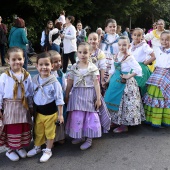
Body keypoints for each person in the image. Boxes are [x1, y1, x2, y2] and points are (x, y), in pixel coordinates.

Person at [65, 42, 111, 150]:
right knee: (78, 116)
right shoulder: (74, 67)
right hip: (76, 94)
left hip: (89, 94)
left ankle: (89, 139)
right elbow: (70, 82)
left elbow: (96, 84)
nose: (82, 55)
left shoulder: (93, 68)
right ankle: (80, 136)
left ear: (90, 53)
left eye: (85, 52)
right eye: (80, 52)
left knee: (90, 117)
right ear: (77, 53)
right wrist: (67, 95)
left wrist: (98, 99)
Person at [26, 52, 64, 162]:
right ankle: (37, 147)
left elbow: (59, 99)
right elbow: (30, 95)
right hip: (38, 112)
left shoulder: (54, 82)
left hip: (51, 112)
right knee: (38, 130)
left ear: (52, 66)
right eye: (41, 65)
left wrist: (60, 114)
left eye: (47, 64)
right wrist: (30, 108)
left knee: (50, 132)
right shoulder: (34, 80)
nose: (44, 67)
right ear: (36, 66)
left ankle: (48, 150)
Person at [104, 36, 145, 133]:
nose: (122, 47)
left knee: (124, 103)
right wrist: (108, 80)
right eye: (120, 45)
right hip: (115, 82)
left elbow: (138, 69)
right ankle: (115, 121)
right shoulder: (116, 55)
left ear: (128, 45)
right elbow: (112, 70)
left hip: (125, 84)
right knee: (110, 99)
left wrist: (129, 76)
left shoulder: (129, 57)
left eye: (124, 45)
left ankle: (123, 125)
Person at [0, 47, 33, 161]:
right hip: (9, 106)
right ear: (8, 60)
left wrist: (31, 106)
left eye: (20, 59)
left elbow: (29, 92)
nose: (17, 62)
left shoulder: (27, 75)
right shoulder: (4, 76)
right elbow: (0, 93)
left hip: (23, 105)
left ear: (24, 59)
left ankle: (19, 147)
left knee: (22, 127)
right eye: (13, 59)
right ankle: (10, 149)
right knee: (11, 128)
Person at [143, 31, 170, 127]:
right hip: (157, 72)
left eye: (167, 40)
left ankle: (163, 119)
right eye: (162, 39)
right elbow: (154, 58)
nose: (164, 41)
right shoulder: (158, 49)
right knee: (152, 93)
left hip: (167, 74)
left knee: (163, 95)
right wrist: (145, 63)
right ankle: (151, 118)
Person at [129, 28, 156, 96]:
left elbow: (153, 56)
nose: (136, 37)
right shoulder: (130, 45)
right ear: (132, 36)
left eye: (139, 35)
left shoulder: (144, 45)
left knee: (139, 87)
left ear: (142, 36)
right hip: (130, 67)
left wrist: (145, 63)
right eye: (135, 35)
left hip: (140, 68)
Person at [48, 50, 67, 144]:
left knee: (61, 119)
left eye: (59, 61)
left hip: (60, 100)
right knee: (52, 121)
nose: (58, 63)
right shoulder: (47, 75)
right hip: (51, 102)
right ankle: (52, 138)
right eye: (55, 62)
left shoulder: (60, 73)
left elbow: (64, 86)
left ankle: (60, 137)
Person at [100, 18, 119, 83]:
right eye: (110, 27)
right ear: (106, 28)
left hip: (113, 60)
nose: (112, 28)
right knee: (103, 75)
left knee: (111, 75)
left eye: (114, 26)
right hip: (104, 59)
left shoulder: (118, 38)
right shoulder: (103, 38)